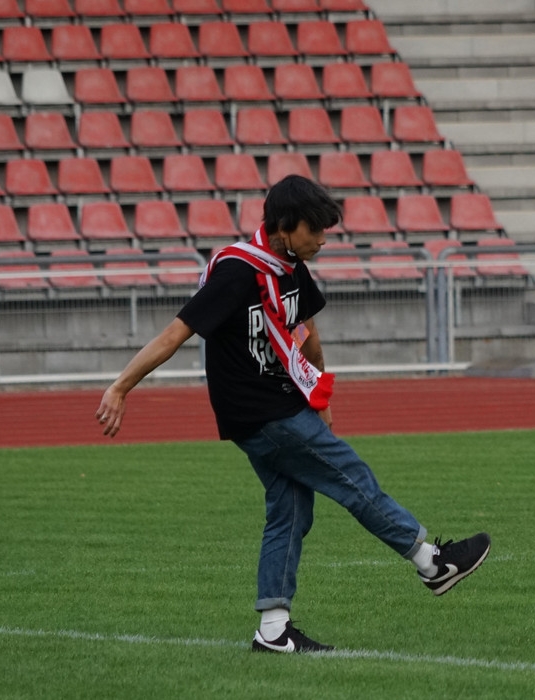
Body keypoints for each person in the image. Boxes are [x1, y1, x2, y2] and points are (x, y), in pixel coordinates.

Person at [95, 175, 491, 653]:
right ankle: (431, 562)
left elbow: (308, 334)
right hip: (262, 411)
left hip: (280, 404)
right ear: (284, 226)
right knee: (351, 476)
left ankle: (273, 629)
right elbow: (175, 334)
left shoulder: (291, 267)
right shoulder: (238, 272)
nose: (322, 239)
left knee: (290, 511)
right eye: (314, 229)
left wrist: (320, 399)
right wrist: (121, 387)